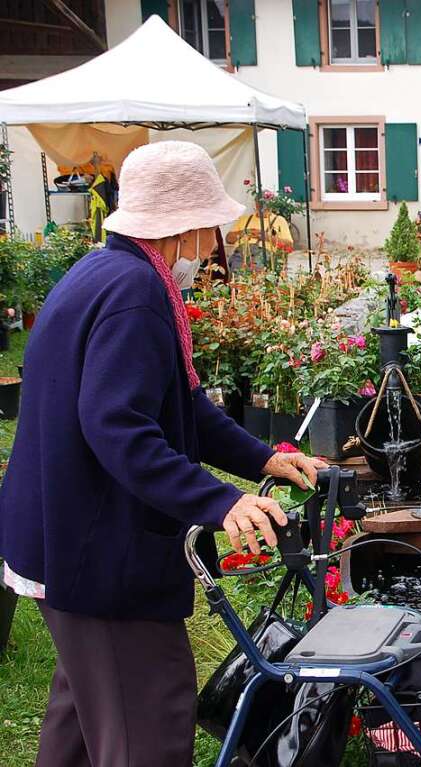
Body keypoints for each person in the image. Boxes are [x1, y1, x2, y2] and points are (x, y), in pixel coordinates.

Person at [0, 141, 326, 767]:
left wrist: (260, 459)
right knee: (146, 717)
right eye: (210, 232)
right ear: (183, 228)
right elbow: (118, 426)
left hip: (59, 536)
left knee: (86, 714)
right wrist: (221, 503)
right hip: (95, 556)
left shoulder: (106, 271)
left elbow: (181, 404)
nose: (211, 250)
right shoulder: (134, 296)